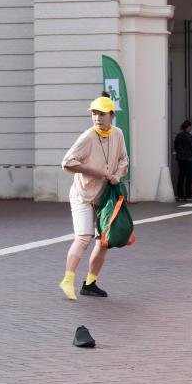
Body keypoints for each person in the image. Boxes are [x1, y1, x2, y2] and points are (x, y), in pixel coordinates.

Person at [59, 95, 129, 301]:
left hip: (104, 196)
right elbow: (66, 162)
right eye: (94, 113)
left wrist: (117, 175)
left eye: (101, 114)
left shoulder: (118, 134)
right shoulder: (88, 137)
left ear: (111, 115)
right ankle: (67, 280)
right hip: (82, 195)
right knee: (83, 237)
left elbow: (124, 159)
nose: (97, 118)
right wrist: (94, 170)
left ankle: (90, 283)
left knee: (104, 241)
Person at [173, 120, 192, 201]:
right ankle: (188, 195)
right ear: (188, 127)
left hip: (180, 159)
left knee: (181, 176)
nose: (190, 128)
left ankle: (180, 195)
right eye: (190, 127)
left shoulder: (178, 136)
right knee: (188, 177)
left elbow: (175, 146)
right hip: (189, 159)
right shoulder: (190, 136)